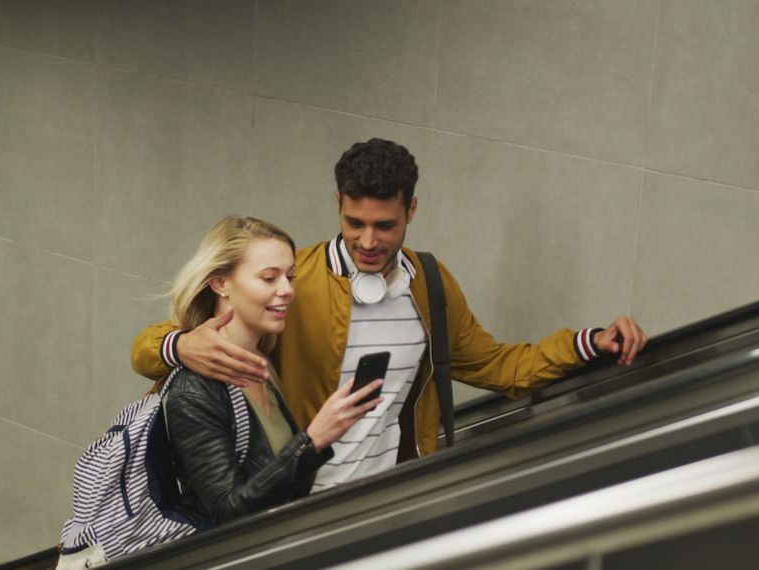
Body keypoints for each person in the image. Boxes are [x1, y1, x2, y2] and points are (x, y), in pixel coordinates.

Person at [132, 139, 648, 491]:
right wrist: (176, 345)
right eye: (354, 222)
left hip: (381, 503)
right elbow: (150, 346)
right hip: (292, 503)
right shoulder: (298, 282)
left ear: (412, 211)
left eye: (385, 224)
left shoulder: (429, 284)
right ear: (337, 203)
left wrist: (589, 342)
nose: (368, 241)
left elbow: (499, 366)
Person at [162, 216, 381, 524]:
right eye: (269, 278)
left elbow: (286, 490)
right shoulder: (195, 389)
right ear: (220, 283)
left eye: (290, 277)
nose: (288, 290)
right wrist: (314, 440)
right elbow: (227, 511)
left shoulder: (263, 366)